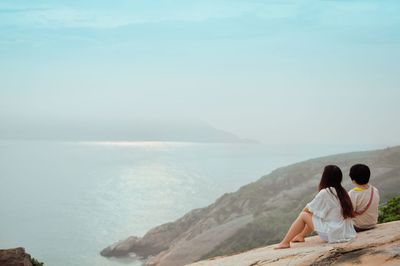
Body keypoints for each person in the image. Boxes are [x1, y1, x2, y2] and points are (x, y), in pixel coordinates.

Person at [275, 165, 356, 249]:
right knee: (315, 214)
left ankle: (285, 242)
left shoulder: (326, 192)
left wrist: (304, 218)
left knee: (303, 215)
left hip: (332, 234)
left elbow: (307, 209)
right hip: (345, 232)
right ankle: (300, 236)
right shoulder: (342, 192)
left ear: (325, 177)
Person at [348, 164, 380, 231]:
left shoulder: (353, 193)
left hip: (358, 226)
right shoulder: (374, 190)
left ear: (353, 180)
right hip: (373, 224)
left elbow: (349, 212)